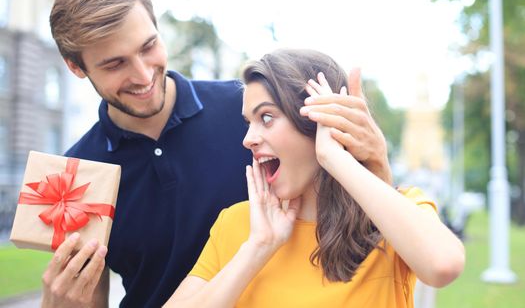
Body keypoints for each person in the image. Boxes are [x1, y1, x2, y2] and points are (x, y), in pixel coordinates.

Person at [42, 0, 393, 308]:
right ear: (76, 66)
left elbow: (350, 214)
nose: (143, 74)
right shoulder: (76, 177)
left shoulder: (250, 114)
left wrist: (375, 157)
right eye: (115, 64)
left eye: (148, 47)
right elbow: (89, 297)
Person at [165, 49, 465, 308]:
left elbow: (443, 266)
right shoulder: (238, 225)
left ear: (319, 123)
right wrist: (259, 247)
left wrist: (334, 156)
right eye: (248, 122)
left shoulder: (390, 216)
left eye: (266, 118)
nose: (248, 139)